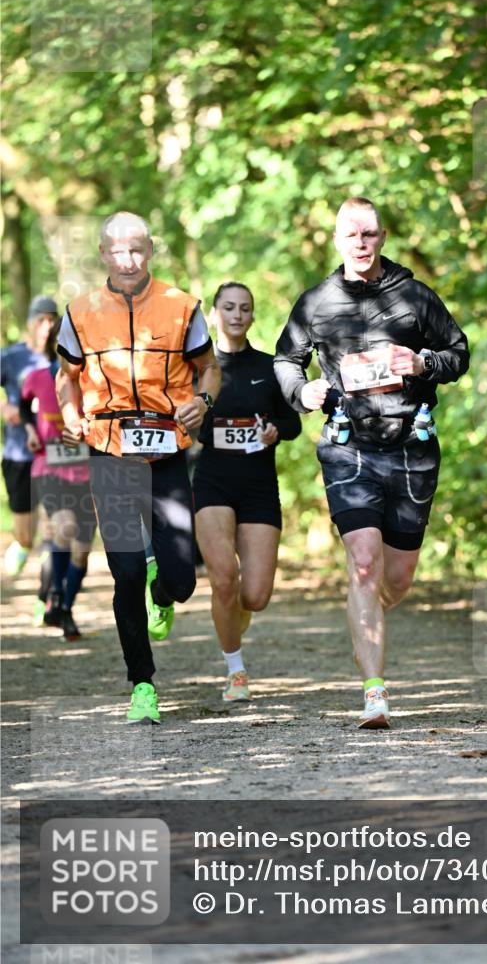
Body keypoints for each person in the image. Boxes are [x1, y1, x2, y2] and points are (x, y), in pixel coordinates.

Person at [274, 197, 470, 729]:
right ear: (336, 240)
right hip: (348, 447)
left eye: (369, 235)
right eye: (350, 236)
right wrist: (302, 390)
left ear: (381, 238)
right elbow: (286, 359)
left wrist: (424, 360)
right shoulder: (316, 302)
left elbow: (458, 352)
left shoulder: (414, 296)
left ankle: (365, 626)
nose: (360, 244)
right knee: (363, 563)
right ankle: (375, 692)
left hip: (411, 447)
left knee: (397, 579)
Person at [55, 211, 221, 725]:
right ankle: (142, 685)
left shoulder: (181, 306)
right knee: (123, 572)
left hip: (167, 450)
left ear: (151, 250)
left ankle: (163, 588)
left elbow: (209, 369)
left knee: (183, 580)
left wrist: (203, 401)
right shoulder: (79, 312)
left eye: (138, 250)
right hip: (109, 452)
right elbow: (66, 377)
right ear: (103, 254)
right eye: (118, 251)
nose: (129, 260)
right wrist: (69, 416)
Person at [193, 282, 301, 702]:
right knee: (223, 578)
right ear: (215, 314)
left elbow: (292, 423)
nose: (237, 315)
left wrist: (276, 430)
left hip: (258, 484)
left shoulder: (269, 366)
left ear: (253, 316)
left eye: (245, 308)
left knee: (254, 596)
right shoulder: (199, 368)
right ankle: (235, 670)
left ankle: (233, 615)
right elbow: (185, 421)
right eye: (229, 308)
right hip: (213, 480)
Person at [20, 318, 96, 640]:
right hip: (49, 467)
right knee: (63, 528)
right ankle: (53, 596)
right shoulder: (38, 377)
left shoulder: (97, 381)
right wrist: (27, 429)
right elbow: (23, 404)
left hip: (88, 471)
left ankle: (64, 606)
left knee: (82, 550)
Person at [1, 296, 57, 592]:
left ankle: (49, 594)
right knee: (27, 534)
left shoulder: (63, 360)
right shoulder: (10, 357)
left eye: (52, 320)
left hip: (57, 456)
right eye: (41, 320)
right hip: (19, 454)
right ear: (29, 322)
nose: (46, 326)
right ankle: (21, 547)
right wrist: (5, 408)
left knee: (55, 529)